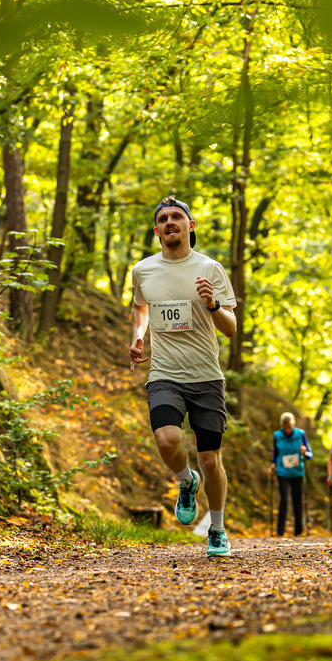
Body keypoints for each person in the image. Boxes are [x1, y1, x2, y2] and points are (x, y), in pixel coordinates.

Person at [129, 196, 237, 557]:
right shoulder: (143, 271)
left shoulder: (210, 268)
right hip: (164, 373)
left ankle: (218, 530)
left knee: (211, 459)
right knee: (167, 440)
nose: (170, 222)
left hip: (206, 376)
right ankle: (185, 481)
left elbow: (232, 329)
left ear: (191, 226)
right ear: (156, 229)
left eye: (178, 217)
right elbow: (140, 307)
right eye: (164, 218)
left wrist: (213, 305)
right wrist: (138, 336)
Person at [268, 412, 313, 536]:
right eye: (285, 427)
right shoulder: (277, 435)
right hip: (282, 472)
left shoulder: (300, 434)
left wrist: (305, 453)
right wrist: (272, 465)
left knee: (297, 500)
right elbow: (275, 453)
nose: (287, 429)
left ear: (293, 424)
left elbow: (310, 454)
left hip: (297, 472)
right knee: (283, 500)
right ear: (282, 426)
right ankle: (280, 532)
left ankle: (298, 531)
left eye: (289, 427)